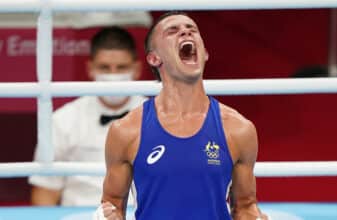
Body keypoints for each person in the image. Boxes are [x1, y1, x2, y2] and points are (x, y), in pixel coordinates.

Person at [96, 12, 268, 220]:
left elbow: (245, 205)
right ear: (154, 58)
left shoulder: (238, 129)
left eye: (192, 29)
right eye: (173, 31)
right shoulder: (126, 131)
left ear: (204, 53)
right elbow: (112, 204)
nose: (186, 31)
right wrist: (105, 216)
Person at [28, 26, 148, 206]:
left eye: (121, 67)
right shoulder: (63, 119)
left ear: (137, 68)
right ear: (90, 68)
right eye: (105, 68)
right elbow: (45, 191)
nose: (113, 75)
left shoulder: (158, 117)